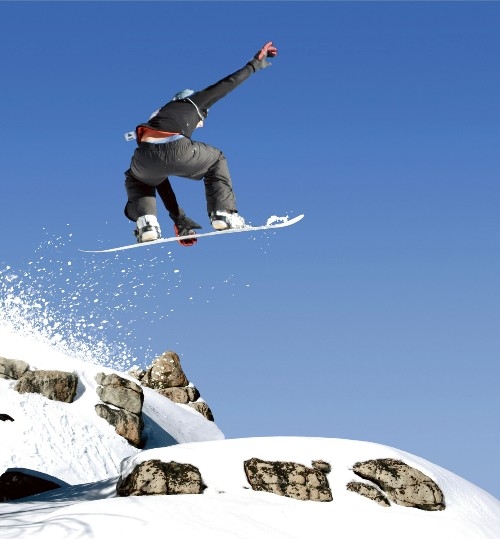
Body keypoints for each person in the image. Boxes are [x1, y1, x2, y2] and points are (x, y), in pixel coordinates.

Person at [123, 41, 278, 245]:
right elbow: (226, 85)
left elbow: (159, 176)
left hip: (144, 159)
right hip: (177, 148)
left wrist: (179, 219)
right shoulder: (193, 102)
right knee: (216, 159)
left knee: (138, 179)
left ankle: (147, 224)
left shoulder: (159, 116)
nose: (202, 122)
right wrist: (255, 64)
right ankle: (223, 213)